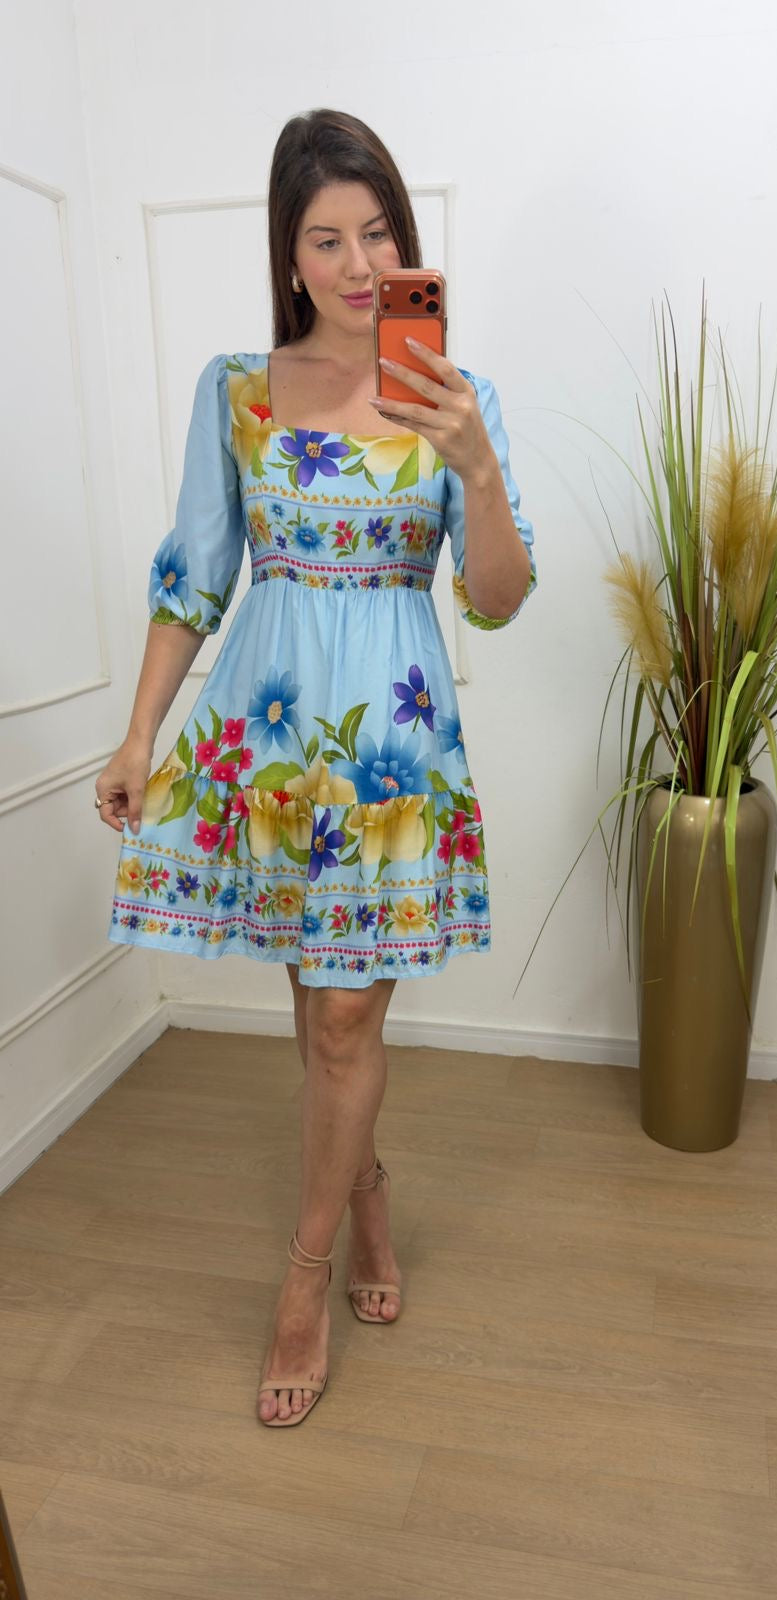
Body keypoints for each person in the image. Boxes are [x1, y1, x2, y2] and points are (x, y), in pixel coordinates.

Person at [94, 108, 537, 1427]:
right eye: (327, 239)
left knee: (345, 1019)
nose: (358, 264)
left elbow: (499, 598)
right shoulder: (236, 389)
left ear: (408, 242)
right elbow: (195, 577)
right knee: (315, 1004)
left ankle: (305, 1275)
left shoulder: (453, 396)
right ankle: (371, 1193)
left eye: (380, 233)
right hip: (269, 742)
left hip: (391, 755)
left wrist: (475, 466)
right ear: (290, 256)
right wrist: (140, 734)